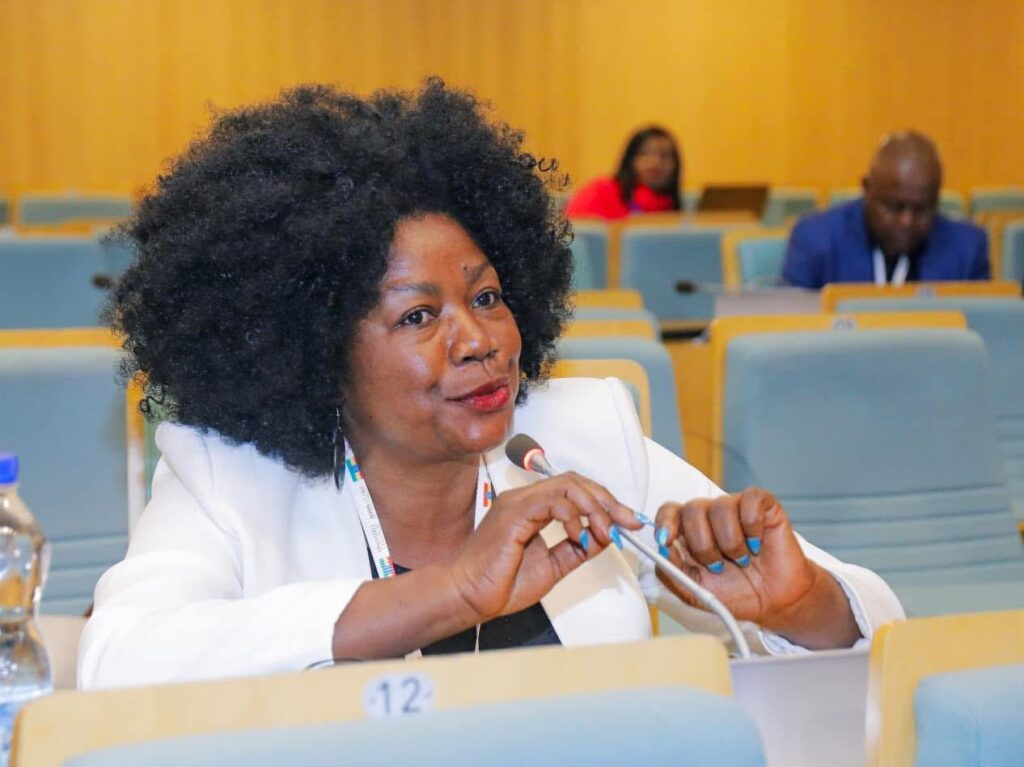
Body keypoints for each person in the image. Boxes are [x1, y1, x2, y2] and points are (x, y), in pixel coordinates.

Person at [79, 80, 902, 689]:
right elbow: (117, 661)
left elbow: (879, 631)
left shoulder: (579, 440)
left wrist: (795, 604)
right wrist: (450, 591)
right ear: (315, 348)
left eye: (486, 298)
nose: (480, 340)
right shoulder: (231, 477)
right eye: (418, 316)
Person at [782, 131, 989, 289]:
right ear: (867, 189)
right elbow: (793, 326)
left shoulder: (968, 248)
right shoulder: (815, 240)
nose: (906, 221)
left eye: (921, 210)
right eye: (894, 207)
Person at [565, 126, 683, 219]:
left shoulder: (677, 211)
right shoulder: (600, 192)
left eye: (664, 155)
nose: (655, 162)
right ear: (629, 159)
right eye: (645, 153)